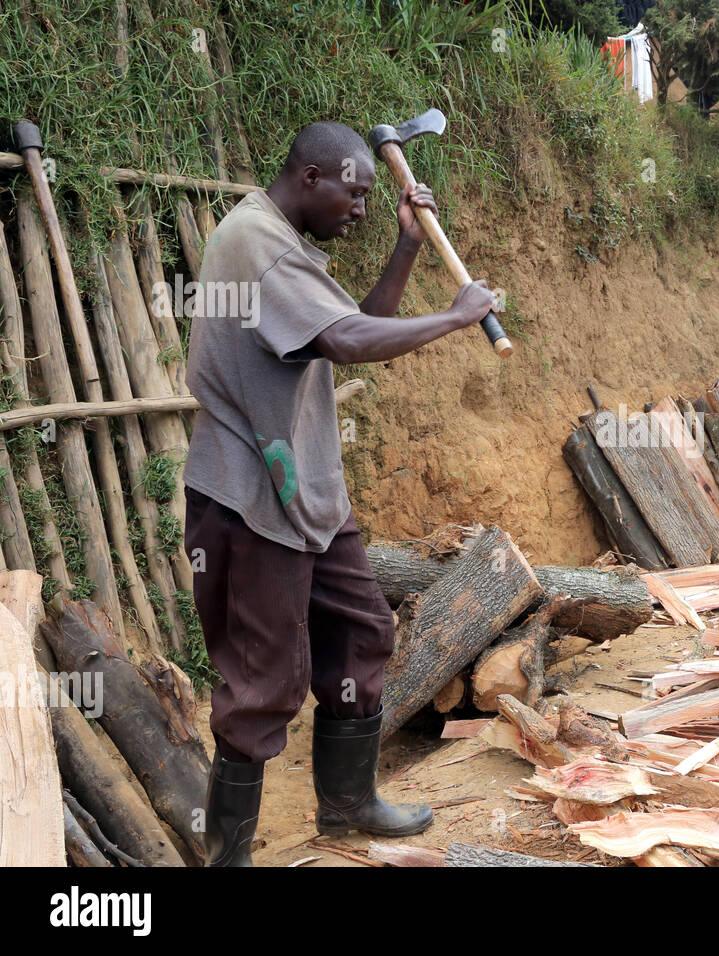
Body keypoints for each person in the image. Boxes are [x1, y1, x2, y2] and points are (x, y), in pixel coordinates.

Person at [184, 121, 497, 866]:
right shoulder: (257, 246)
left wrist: (408, 244)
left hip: (307, 490)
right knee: (263, 681)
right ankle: (228, 854)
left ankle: (348, 805)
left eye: (367, 197)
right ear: (313, 176)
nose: (359, 208)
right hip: (250, 498)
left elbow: (357, 324)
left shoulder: (287, 244)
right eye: (354, 194)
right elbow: (351, 343)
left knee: (361, 628)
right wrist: (457, 317)